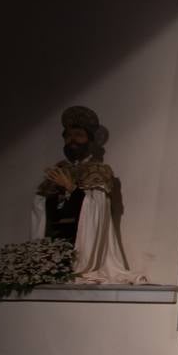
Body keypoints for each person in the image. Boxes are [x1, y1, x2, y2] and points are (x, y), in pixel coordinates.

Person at [31, 106, 146, 284]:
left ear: (89, 140)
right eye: (68, 136)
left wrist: (70, 187)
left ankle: (81, 266)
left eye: (78, 135)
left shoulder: (98, 170)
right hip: (57, 241)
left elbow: (96, 210)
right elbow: (41, 211)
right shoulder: (59, 169)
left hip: (83, 242)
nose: (72, 140)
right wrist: (49, 195)